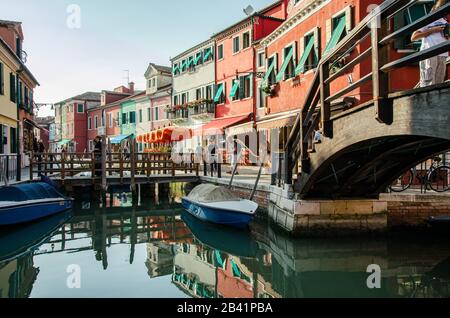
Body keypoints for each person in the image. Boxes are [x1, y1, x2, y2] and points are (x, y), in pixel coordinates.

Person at [411, 0, 448, 87]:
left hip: (443, 54)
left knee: (440, 81)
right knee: (428, 81)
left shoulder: (445, 22)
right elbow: (414, 37)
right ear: (435, 8)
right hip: (429, 52)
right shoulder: (428, 20)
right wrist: (433, 30)